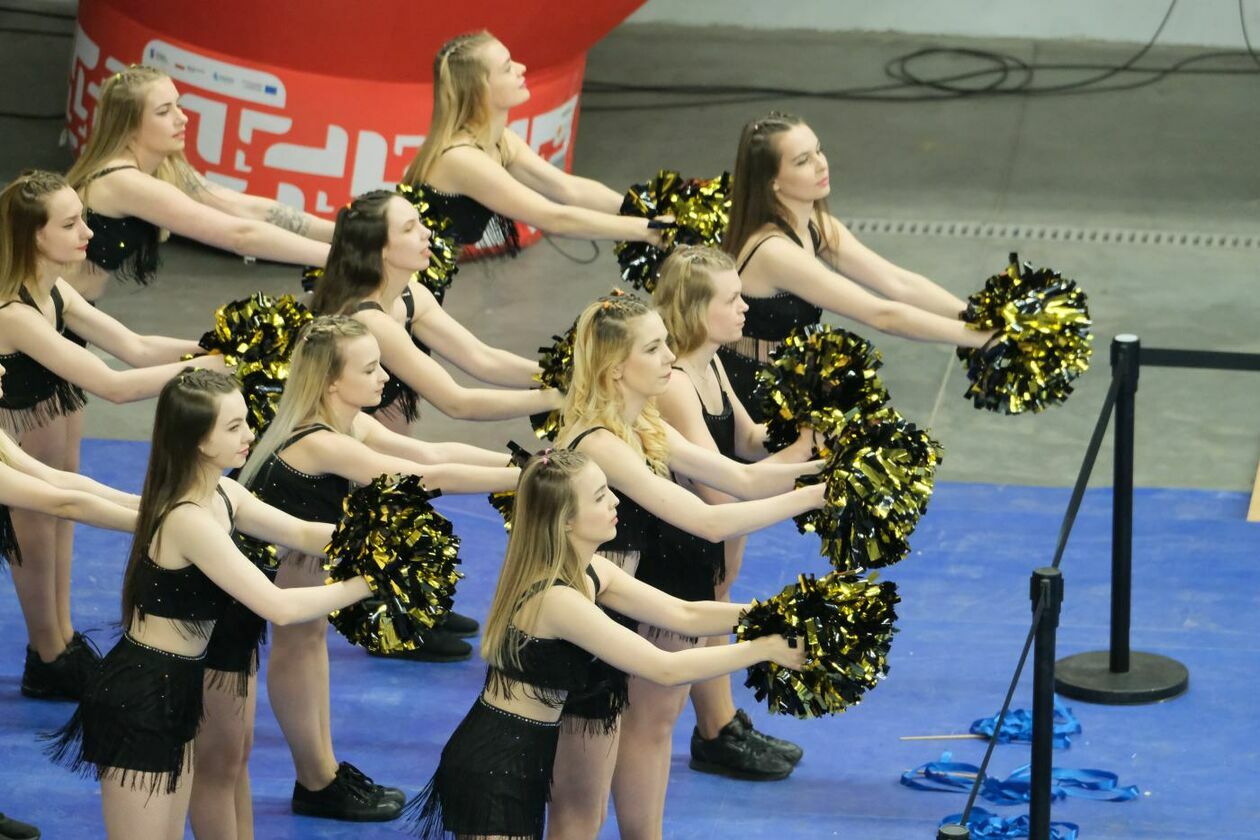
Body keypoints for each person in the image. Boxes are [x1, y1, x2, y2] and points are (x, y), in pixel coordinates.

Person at [190, 316, 518, 830]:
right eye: (370, 368)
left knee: (309, 642)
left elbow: (433, 451)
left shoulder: (345, 420)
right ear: (332, 382)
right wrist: (527, 478)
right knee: (292, 652)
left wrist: (522, 462)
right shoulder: (320, 440)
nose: (385, 375)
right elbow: (427, 477)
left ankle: (321, 772)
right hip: (267, 571)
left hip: (300, 555)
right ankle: (316, 778)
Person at [406, 448, 806, 840]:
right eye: (599, 496)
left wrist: (774, 614)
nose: (615, 500)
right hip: (494, 768)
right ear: (565, 521)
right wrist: (763, 649)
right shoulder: (556, 599)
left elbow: (685, 614)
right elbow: (664, 668)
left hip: (523, 761)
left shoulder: (591, 568)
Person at [45, 369, 376, 840]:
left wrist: (376, 541)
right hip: (142, 695)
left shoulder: (225, 493)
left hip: (177, 686)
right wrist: (369, 582)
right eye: (234, 427)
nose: (251, 435)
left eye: (245, 421)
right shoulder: (189, 520)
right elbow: (277, 606)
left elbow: (303, 533)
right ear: (199, 441)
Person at [549, 294, 824, 840]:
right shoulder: (601, 442)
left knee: (635, 743)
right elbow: (708, 520)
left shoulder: (642, 422)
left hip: (617, 606)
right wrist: (816, 497)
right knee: (580, 808)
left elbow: (738, 479)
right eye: (653, 348)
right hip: (578, 627)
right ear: (615, 369)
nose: (669, 356)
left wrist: (826, 466)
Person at [0, 171, 223, 700]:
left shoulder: (52, 290)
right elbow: (115, 386)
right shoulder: (14, 313)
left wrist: (217, 343)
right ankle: (48, 653)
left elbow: (137, 347)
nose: (89, 234)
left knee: (57, 520)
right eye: (72, 223)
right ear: (35, 236)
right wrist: (214, 365)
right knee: (41, 523)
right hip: (12, 438)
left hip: (30, 427)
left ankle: (59, 643)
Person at [654, 245, 817, 780]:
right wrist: (806, 476)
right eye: (732, 299)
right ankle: (713, 733)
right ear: (699, 312)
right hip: (683, 535)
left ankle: (719, 727)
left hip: (715, 529)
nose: (746, 307)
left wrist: (811, 431)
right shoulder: (676, 383)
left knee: (716, 612)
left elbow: (747, 439)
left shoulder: (711, 363)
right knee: (702, 623)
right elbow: (717, 492)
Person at [718, 111, 994, 419]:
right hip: (754, 392)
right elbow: (883, 315)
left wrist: (981, 317)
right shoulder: (775, 252)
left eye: (819, 150)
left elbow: (897, 282)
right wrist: (980, 338)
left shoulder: (815, 225)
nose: (821, 164)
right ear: (773, 183)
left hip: (789, 379)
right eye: (802, 161)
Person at [400, 31, 660, 284]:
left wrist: (652, 210)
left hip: (416, 286)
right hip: (390, 287)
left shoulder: (501, 141)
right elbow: (552, 218)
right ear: (480, 90)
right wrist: (647, 230)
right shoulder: (462, 159)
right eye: (506, 68)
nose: (521, 68)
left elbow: (568, 188)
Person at [62, 64, 331, 306]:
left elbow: (244, 208)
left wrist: (343, 231)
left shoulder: (165, 168)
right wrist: (342, 258)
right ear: (128, 126)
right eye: (164, 111)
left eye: (178, 105)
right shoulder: (124, 181)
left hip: (73, 309)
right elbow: (241, 236)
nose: (182, 118)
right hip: (46, 313)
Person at [309, 190, 558, 434]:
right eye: (409, 229)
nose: (426, 232)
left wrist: (562, 374)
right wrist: (560, 399)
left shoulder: (412, 295)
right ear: (380, 248)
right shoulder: (370, 321)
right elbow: (457, 403)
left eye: (420, 222)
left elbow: (483, 359)